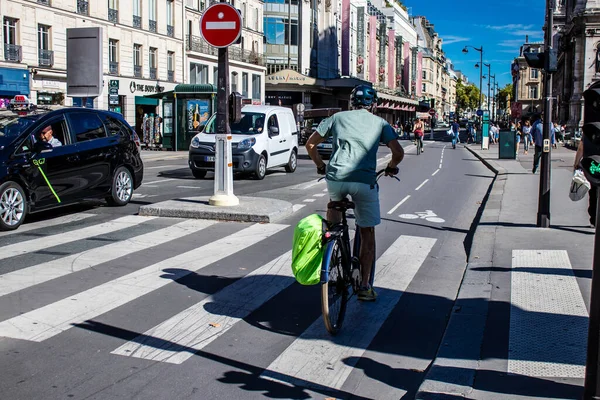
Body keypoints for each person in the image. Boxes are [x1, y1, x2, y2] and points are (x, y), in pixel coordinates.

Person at [305, 85, 405, 301]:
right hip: (364, 182)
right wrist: (391, 166)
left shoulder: (336, 118)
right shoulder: (381, 123)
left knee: (334, 209)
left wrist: (321, 165)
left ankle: (331, 246)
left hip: (336, 179)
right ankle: (365, 287)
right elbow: (398, 152)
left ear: (352, 103)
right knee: (367, 232)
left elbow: (310, 144)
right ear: (373, 104)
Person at [574, 139, 596, 227]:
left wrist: (576, 163)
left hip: (592, 164)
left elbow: (581, 148)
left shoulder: (590, 129)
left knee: (594, 192)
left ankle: (594, 219)